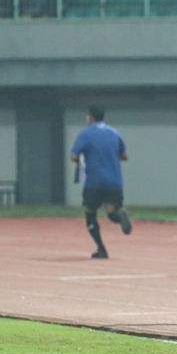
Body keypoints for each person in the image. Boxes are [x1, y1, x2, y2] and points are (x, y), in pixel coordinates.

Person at [70, 105, 132, 259]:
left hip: (94, 182)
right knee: (111, 213)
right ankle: (119, 215)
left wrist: (81, 159)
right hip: (114, 181)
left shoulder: (85, 134)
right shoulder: (114, 133)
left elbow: (73, 155)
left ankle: (101, 249)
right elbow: (124, 156)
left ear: (90, 117)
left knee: (90, 213)